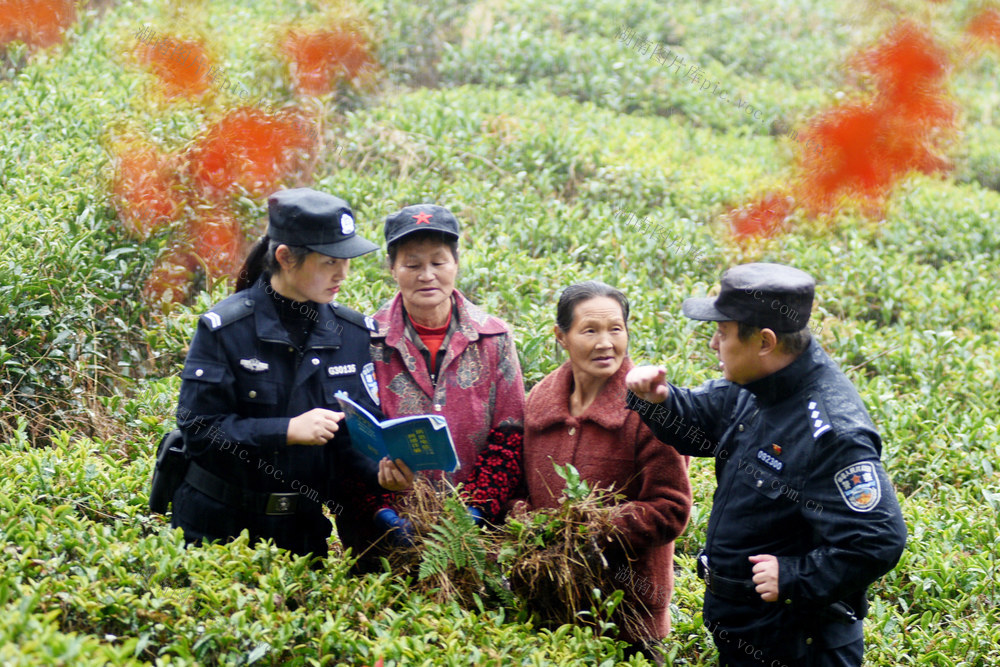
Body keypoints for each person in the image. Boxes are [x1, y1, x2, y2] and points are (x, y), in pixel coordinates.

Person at [624, 263, 907, 666]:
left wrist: (796, 577)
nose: (713, 345)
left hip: (800, 644)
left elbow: (879, 538)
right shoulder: (761, 384)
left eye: (722, 333)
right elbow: (705, 418)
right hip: (749, 631)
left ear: (765, 341)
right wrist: (658, 400)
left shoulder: (830, 430)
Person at [171, 187, 412, 560]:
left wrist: (383, 473)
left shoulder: (352, 334)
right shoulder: (227, 329)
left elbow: (354, 439)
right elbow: (198, 430)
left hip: (298, 532)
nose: (343, 273)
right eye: (330, 261)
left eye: (346, 260)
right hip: (214, 529)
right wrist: (286, 431)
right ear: (285, 257)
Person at [334, 203, 525, 562]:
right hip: (386, 540)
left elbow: (510, 436)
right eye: (412, 264)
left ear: (455, 264)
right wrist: (383, 511)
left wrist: (474, 512)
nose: (427, 275)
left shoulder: (494, 338)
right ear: (392, 269)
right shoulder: (365, 339)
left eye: (438, 262)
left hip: (477, 543)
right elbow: (353, 441)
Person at [517, 281, 692, 660]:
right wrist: (530, 527)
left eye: (616, 329)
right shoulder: (537, 404)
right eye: (590, 330)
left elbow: (672, 508)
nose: (605, 343)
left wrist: (592, 528)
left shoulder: (649, 409)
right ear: (561, 336)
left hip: (630, 623)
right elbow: (518, 491)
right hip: (550, 612)